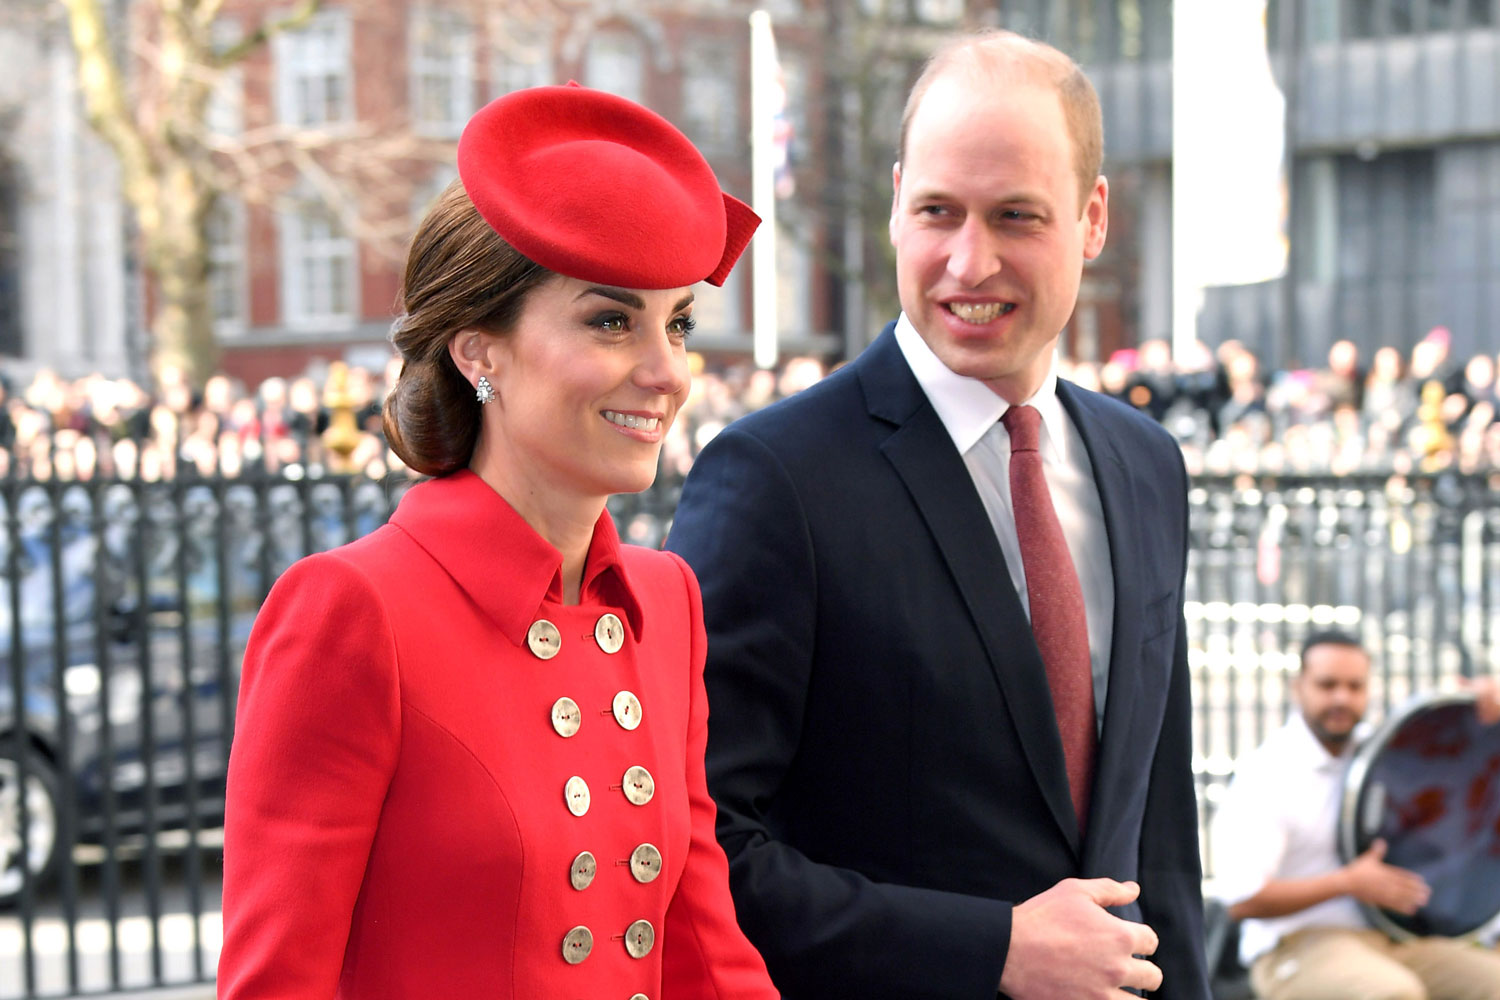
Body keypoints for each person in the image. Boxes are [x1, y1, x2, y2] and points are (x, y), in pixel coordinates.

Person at [664, 29, 1209, 1000]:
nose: (970, 260)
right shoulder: (773, 479)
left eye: (1015, 216)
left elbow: (1160, 836)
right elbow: (698, 848)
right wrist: (990, 946)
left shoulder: (1146, 466)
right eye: (938, 212)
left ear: (1092, 219)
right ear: (894, 204)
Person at [216, 84, 777, 999]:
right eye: (610, 320)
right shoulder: (355, 610)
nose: (665, 371)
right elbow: (278, 982)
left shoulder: (664, 600)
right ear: (479, 353)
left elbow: (702, 945)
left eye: (676, 323)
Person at [1211, 632, 1500, 1000]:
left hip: (1391, 940)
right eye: (1327, 685)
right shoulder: (1267, 774)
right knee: (1391, 993)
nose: (1341, 698)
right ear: (1298, 687)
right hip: (1295, 946)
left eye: (1354, 686)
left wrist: (1479, 709)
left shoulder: (1383, 751)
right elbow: (1241, 900)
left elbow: (1463, 767)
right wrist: (1347, 882)